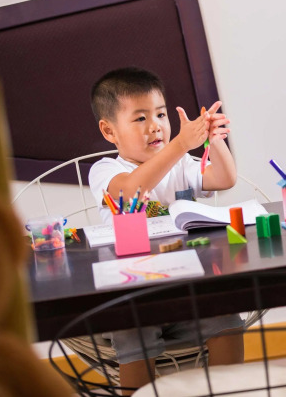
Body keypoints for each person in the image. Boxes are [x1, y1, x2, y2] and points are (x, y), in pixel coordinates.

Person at [88, 67, 244, 393]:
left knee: (225, 313)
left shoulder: (182, 165)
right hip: (133, 299)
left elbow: (224, 179)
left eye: (160, 114)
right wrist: (180, 144)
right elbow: (128, 191)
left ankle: (227, 391)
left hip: (189, 292)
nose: (155, 125)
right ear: (109, 130)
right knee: (132, 328)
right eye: (140, 118)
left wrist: (214, 141)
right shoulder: (106, 170)